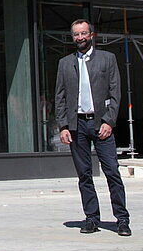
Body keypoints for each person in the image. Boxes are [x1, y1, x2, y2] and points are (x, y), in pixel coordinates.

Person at [54, 19, 130, 236]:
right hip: (77, 125)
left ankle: (122, 219)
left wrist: (109, 121)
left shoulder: (107, 59)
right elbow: (59, 97)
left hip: (101, 124)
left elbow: (115, 93)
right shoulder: (65, 63)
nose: (80, 37)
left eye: (83, 33)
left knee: (112, 172)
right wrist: (63, 125)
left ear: (91, 35)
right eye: (76, 34)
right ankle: (91, 218)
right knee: (84, 175)